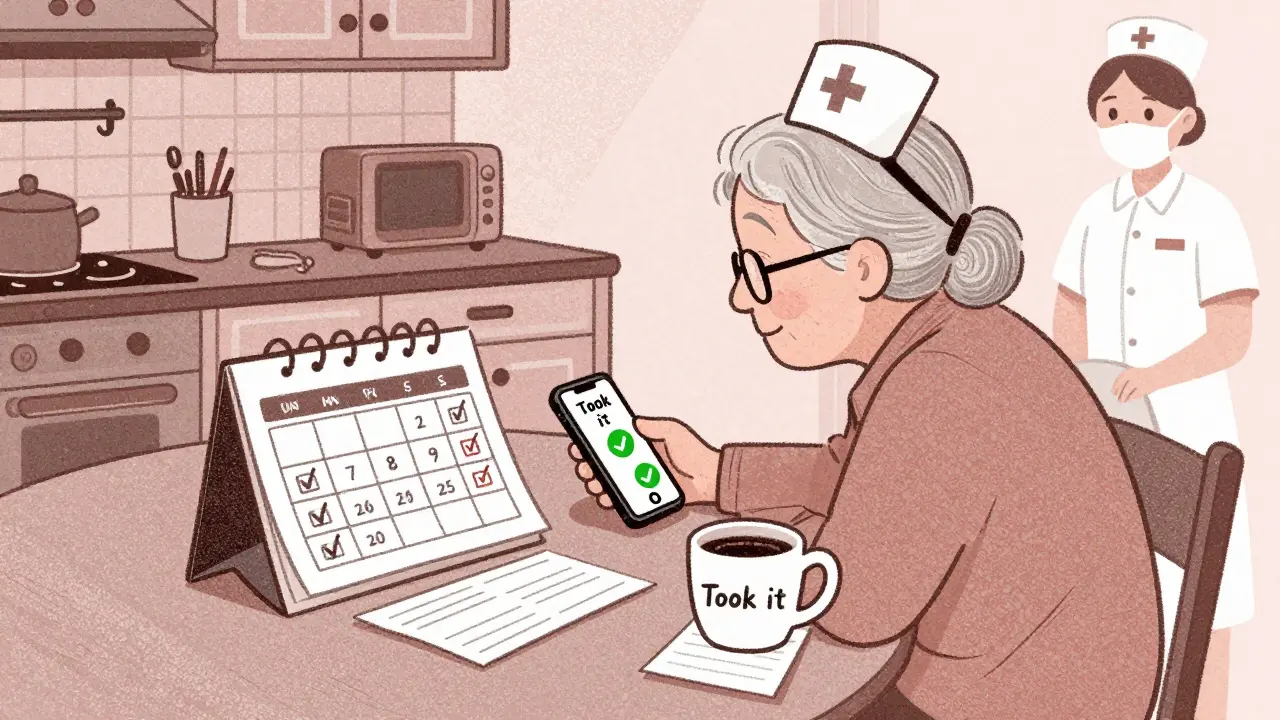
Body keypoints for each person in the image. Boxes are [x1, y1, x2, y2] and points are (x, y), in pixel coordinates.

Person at [571, 41, 1162, 719]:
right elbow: (858, 475)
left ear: (863, 267)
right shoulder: (954, 338)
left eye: (759, 267)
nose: (740, 297)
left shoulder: (943, 389)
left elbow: (853, 612)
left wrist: (761, 553)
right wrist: (715, 474)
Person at [1052, 18, 1258, 718]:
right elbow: (1070, 310)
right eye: (1111, 112)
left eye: (1145, 112)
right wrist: (1083, 383)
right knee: (1117, 588)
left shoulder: (1210, 213)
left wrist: (1155, 378)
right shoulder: (1093, 212)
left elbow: (1232, 334)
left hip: (1193, 423)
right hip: (1107, 422)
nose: (1126, 127)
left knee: (1206, 596)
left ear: (1184, 121)